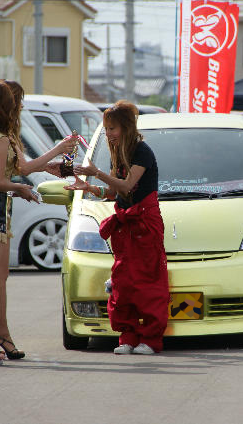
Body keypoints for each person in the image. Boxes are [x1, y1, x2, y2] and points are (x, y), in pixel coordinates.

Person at [0, 80, 77, 365]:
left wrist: (8, 181)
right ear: (5, 105)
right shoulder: (1, 138)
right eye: (15, 101)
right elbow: (6, 178)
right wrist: (20, 187)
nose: (18, 105)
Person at [68, 100, 170, 355]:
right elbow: (114, 193)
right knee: (123, 283)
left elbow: (126, 186)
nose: (108, 133)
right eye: (106, 128)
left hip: (145, 223)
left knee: (148, 284)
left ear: (126, 127)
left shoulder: (142, 152)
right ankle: (128, 337)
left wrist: (96, 172)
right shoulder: (118, 152)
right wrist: (89, 187)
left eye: (112, 128)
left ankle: (150, 339)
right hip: (125, 225)